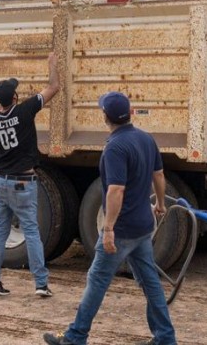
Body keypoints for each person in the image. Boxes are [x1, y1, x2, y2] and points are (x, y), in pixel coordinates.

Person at [44, 92, 176, 345]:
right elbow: (159, 176)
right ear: (132, 113)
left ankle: (75, 336)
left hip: (123, 230)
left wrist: (108, 229)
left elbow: (116, 190)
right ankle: (165, 338)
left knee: (97, 281)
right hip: (143, 228)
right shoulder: (147, 139)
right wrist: (159, 204)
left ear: (105, 116)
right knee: (150, 283)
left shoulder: (115, 147)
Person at [0, 52, 59, 298]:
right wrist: (52, 65)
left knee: (1, 229)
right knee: (31, 230)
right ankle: (41, 284)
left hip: (1, 181)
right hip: (24, 182)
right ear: (14, 97)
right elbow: (54, 88)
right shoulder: (24, 111)